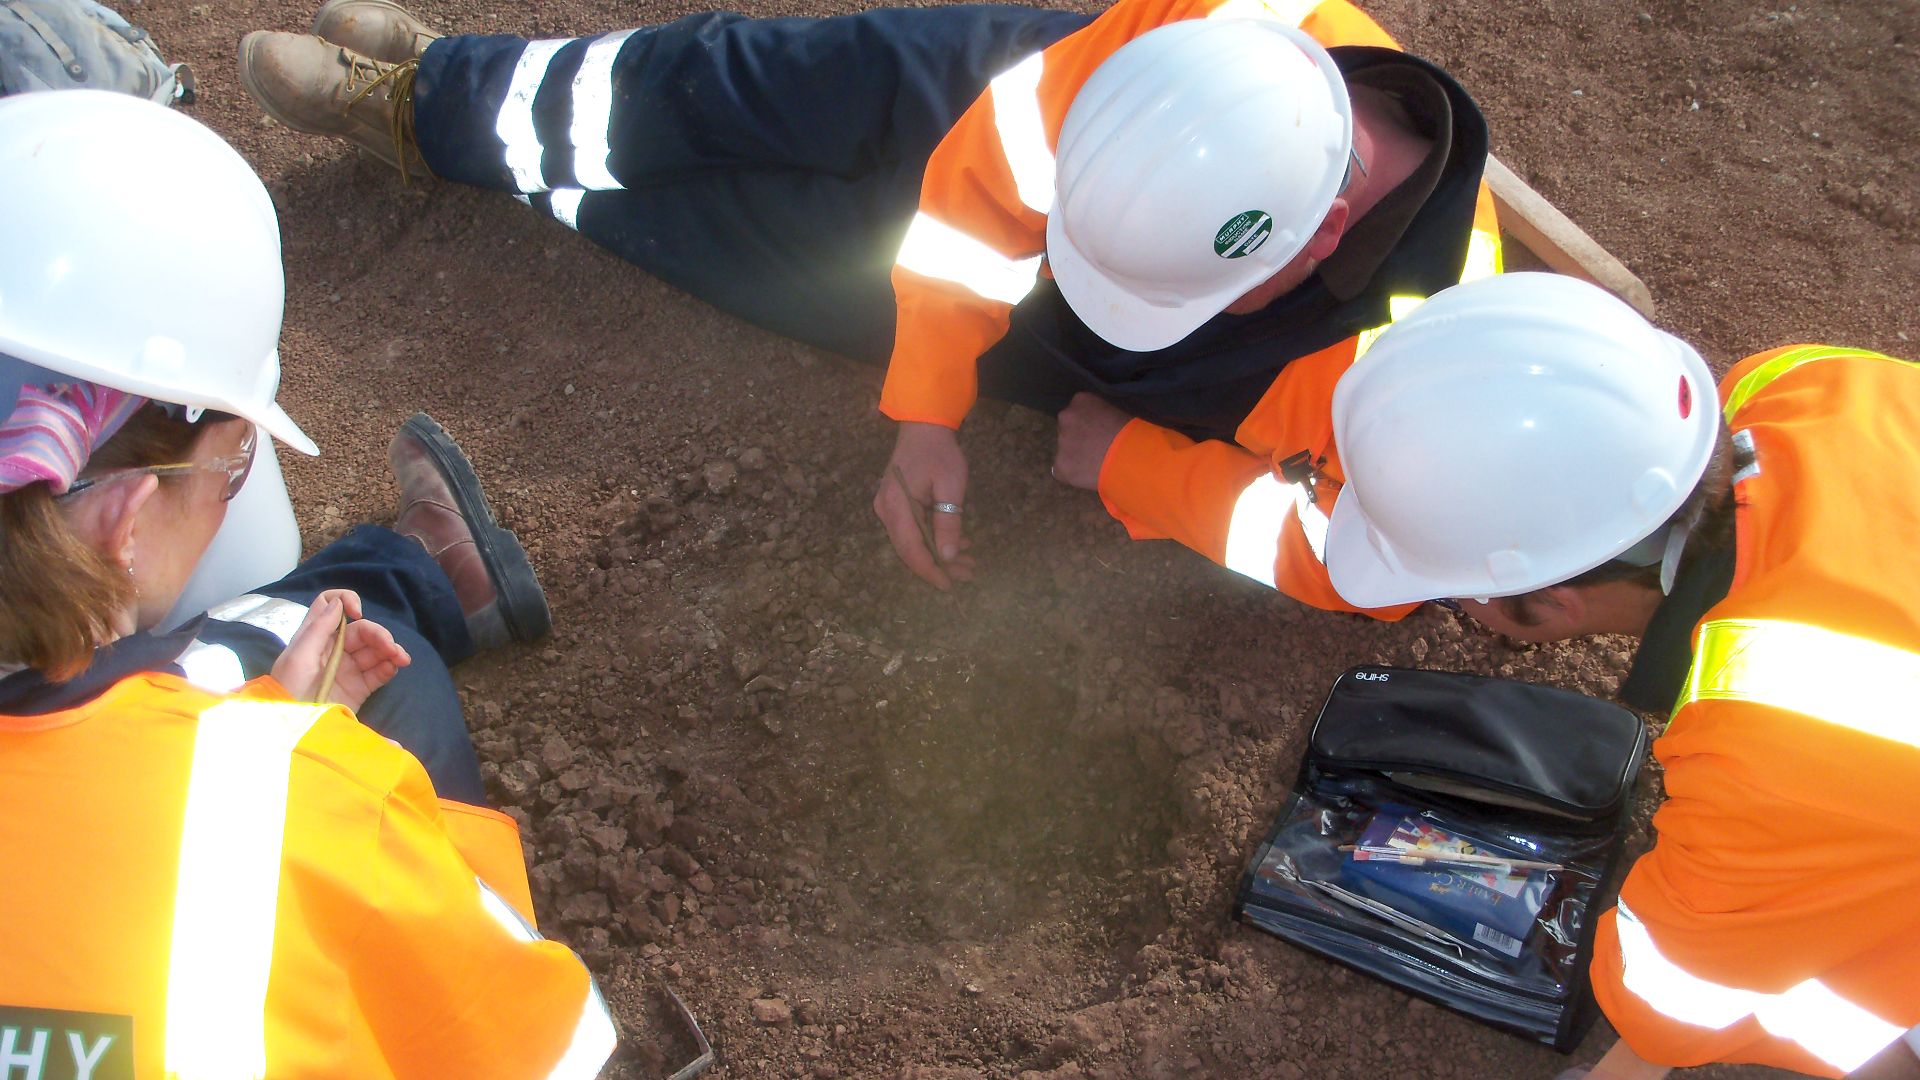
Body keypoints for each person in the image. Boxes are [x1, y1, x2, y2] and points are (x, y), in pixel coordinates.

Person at [236, 0, 1502, 597]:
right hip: (1008, 94)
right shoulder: (1198, 55)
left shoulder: (1420, 378)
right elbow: (978, 204)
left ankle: (499, 157)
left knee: (752, 244)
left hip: (1087, 362)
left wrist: (1141, 467)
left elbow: (1358, 557)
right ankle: (440, 95)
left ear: (1324, 235)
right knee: (726, 85)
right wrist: (927, 408)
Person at [0, 90, 614, 1076]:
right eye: (234, 466)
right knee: (382, 645)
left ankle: (418, 566)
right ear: (121, 517)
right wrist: (314, 775)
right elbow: (546, 1051)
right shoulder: (299, 790)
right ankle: (419, 568)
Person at [1320, 272, 1920, 1080]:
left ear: (1556, 602)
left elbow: (1664, 1009)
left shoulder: (1767, 760)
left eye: (1455, 592)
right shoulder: (1799, 381)